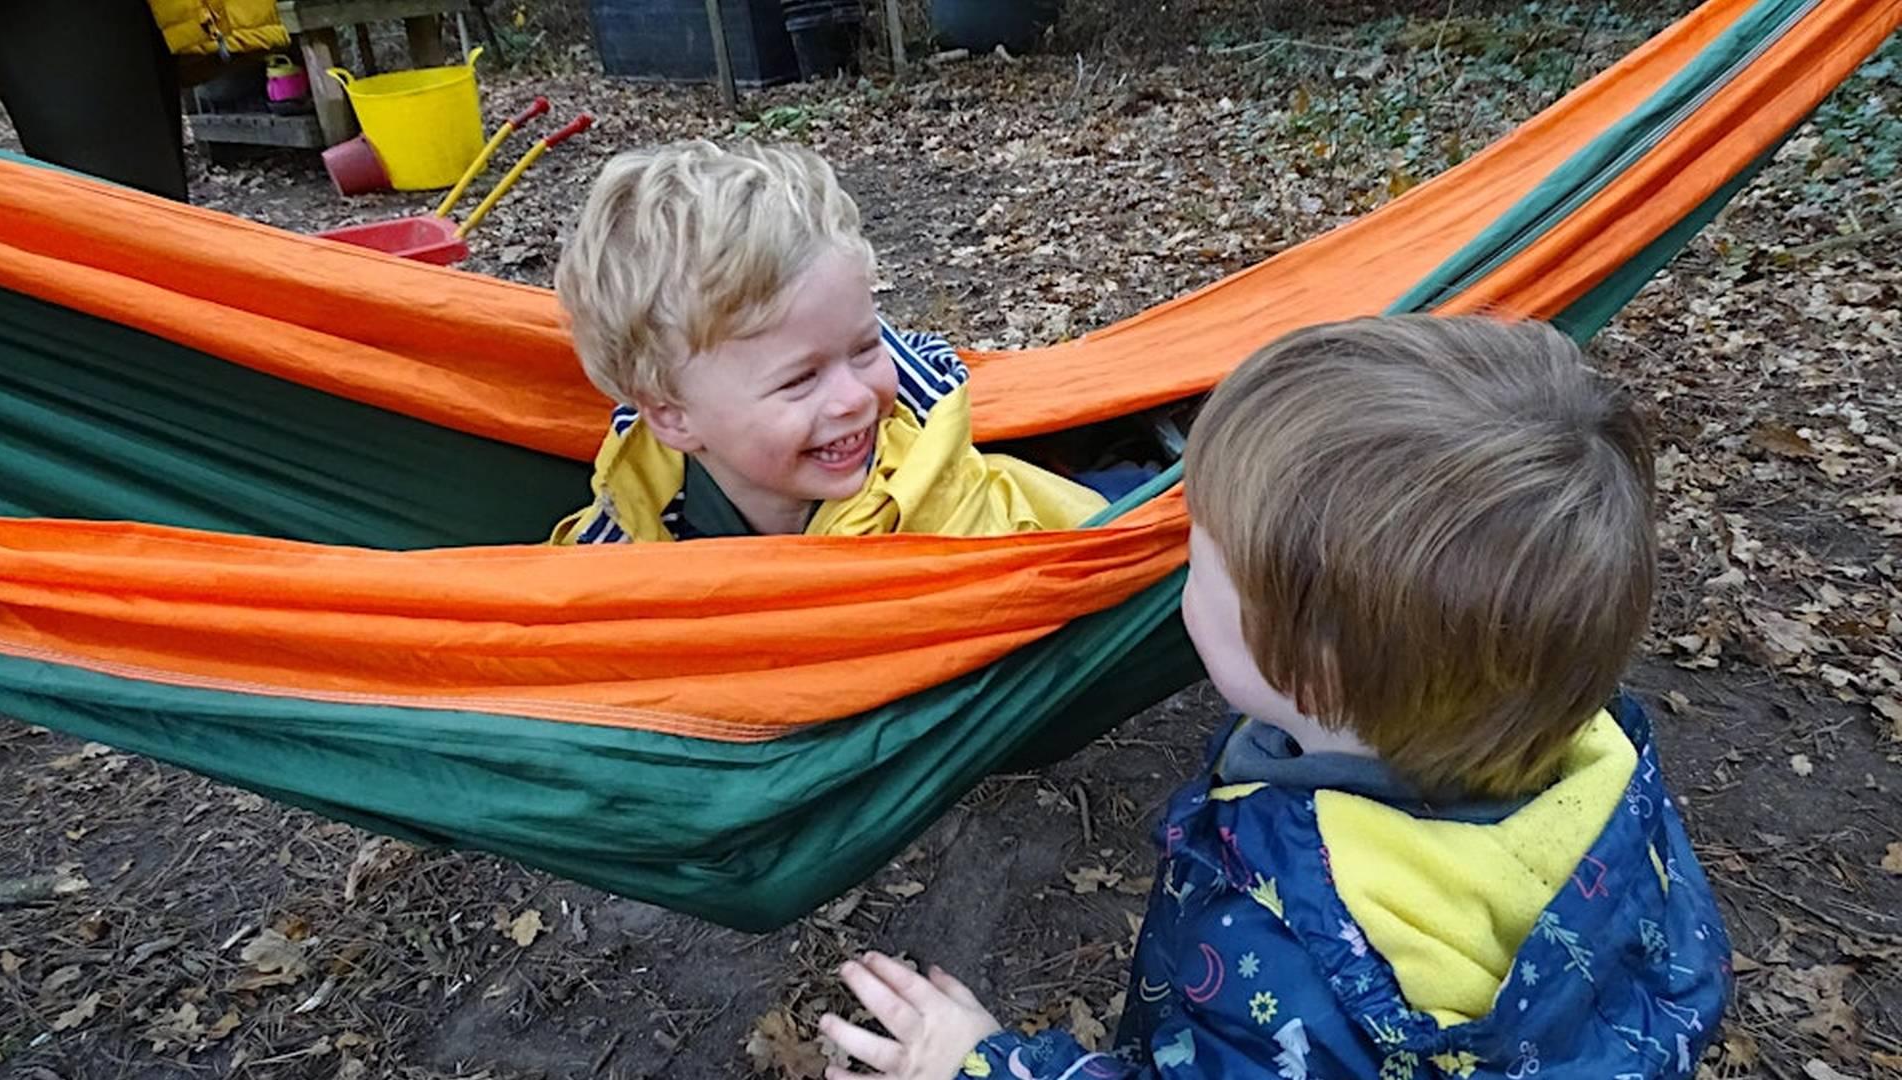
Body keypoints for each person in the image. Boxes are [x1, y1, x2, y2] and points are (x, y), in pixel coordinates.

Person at [819, 315, 1731, 1080]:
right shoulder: (1596, 767)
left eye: (1201, 557)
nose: (1180, 561)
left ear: (1313, 669)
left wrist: (987, 1062)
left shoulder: (1289, 951)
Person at [548, 139, 1105, 545]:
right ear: (673, 418)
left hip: (1070, 532)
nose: (855, 398)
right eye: (799, 379)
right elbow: (578, 619)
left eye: (866, 348)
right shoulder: (636, 512)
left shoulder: (928, 500)